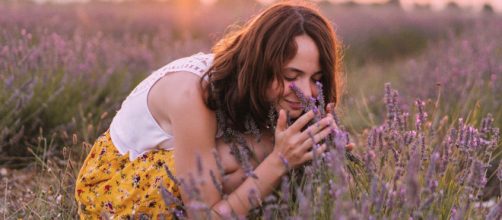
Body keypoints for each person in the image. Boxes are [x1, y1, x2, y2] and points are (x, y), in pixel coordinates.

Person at [75, 0, 344, 219]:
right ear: (261, 64)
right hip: (113, 188)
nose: (306, 92)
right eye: (290, 75)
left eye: (316, 79)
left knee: (258, 147)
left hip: (167, 169)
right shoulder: (193, 93)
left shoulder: (251, 87)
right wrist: (278, 160)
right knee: (243, 156)